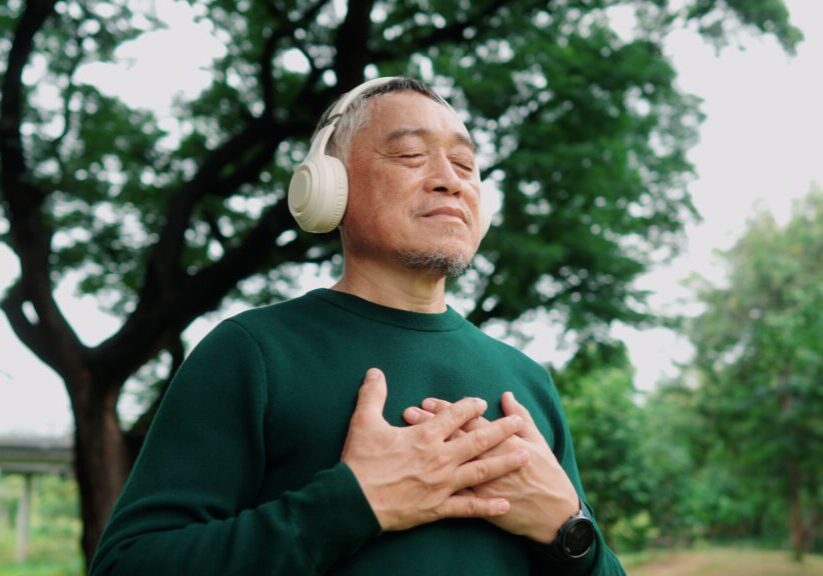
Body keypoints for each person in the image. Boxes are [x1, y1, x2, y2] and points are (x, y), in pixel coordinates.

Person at [90, 76, 626, 575]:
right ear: (329, 188)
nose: (449, 181)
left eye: (465, 166)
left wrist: (569, 526)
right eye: (411, 155)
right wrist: (353, 503)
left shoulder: (527, 378)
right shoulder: (252, 353)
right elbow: (127, 564)